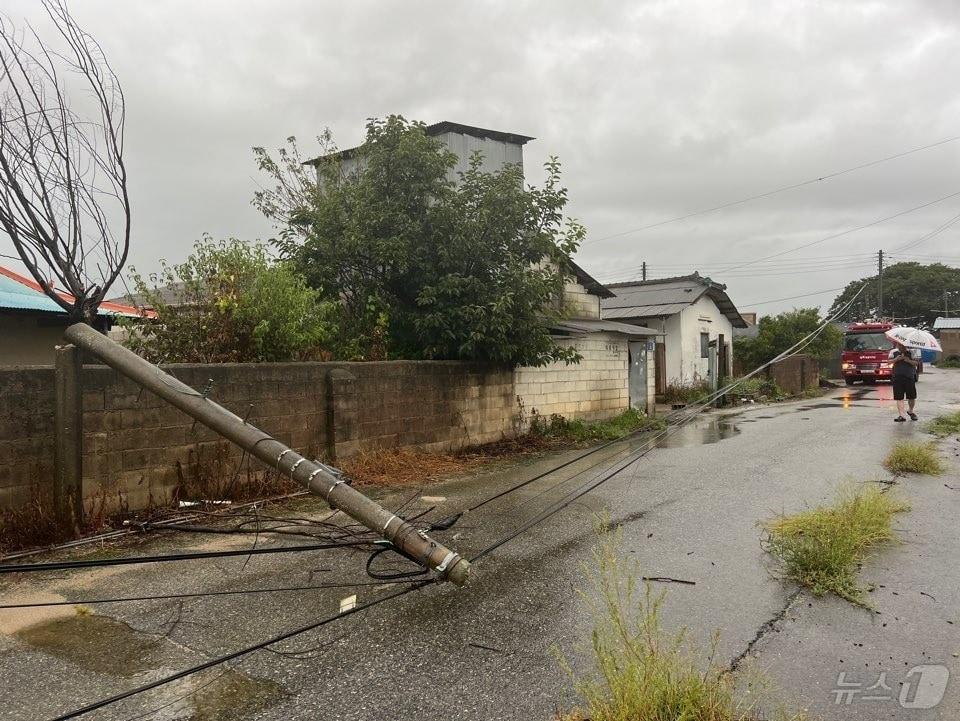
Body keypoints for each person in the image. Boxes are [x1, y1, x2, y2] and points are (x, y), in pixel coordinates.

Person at [889, 341, 919, 422]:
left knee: (911, 397)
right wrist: (896, 359)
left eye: (903, 345)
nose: (901, 346)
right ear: (897, 345)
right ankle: (901, 416)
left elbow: (916, 363)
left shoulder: (912, 352)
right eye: (899, 345)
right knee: (899, 397)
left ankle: (911, 411)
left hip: (909, 377)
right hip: (897, 377)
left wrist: (908, 360)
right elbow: (888, 362)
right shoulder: (893, 352)